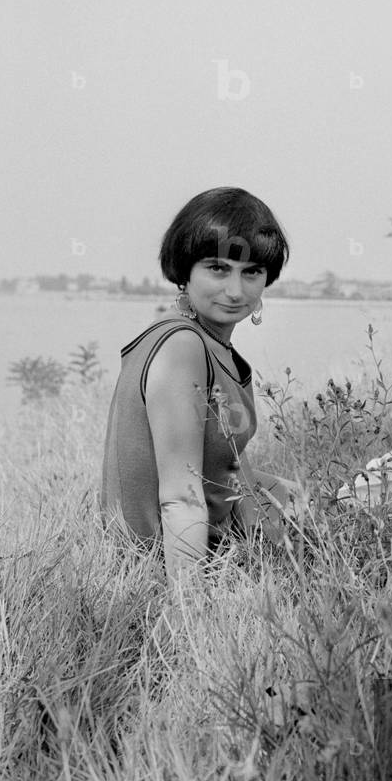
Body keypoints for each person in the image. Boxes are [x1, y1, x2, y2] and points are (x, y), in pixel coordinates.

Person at [102, 187, 293, 581]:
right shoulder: (183, 347)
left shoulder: (204, 339)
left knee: (313, 500)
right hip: (159, 559)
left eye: (251, 272)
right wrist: (190, 616)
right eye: (218, 269)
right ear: (185, 270)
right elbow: (179, 498)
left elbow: (220, 464)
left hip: (198, 538)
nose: (236, 291)